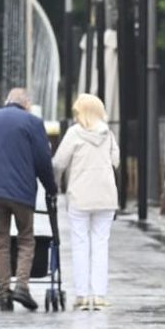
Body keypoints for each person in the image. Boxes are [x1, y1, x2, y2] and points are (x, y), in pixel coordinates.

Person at [0, 87, 56, 311]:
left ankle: (4, 291)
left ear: (8, 100)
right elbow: (43, 160)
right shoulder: (32, 122)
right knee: (26, 238)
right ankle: (22, 287)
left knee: (1, 240)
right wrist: (50, 187)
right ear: (26, 103)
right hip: (21, 191)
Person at [53, 92, 121, 311]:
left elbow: (59, 162)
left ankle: (82, 295)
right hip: (106, 196)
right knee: (101, 244)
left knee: (81, 244)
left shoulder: (74, 133)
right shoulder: (107, 133)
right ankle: (99, 295)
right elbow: (116, 161)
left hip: (80, 196)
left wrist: (56, 184)